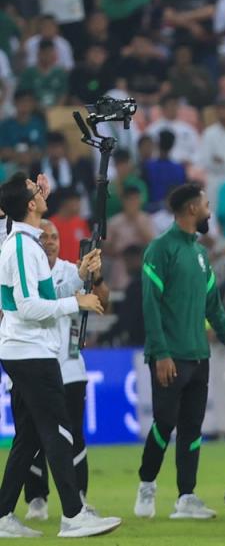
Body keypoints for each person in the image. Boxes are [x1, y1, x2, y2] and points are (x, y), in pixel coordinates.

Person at [0, 173, 120, 538]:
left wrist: (80, 275)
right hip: (30, 350)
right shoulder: (21, 246)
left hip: (27, 350)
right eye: (36, 191)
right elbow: (27, 306)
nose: (42, 191)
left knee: (29, 438)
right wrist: (77, 301)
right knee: (56, 430)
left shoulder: (25, 244)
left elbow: (41, 296)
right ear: (31, 205)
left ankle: (3, 514)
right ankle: (73, 514)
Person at [134, 183, 225, 521]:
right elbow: (150, 306)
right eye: (207, 205)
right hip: (170, 356)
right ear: (193, 209)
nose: (210, 211)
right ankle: (146, 485)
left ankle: (186, 497)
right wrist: (161, 353)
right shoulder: (160, 249)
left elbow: (213, 306)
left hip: (199, 355)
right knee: (164, 424)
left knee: (192, 428)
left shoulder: (199, 252)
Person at [23, 219, 111, 520]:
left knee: (74, 435)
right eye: (44, 237)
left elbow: (104, 303)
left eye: (55, 237)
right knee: (31, 434)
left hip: (71, 365)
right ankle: (37, 498)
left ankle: (80, 499)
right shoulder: (27, 273)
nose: (49, 241)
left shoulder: (72, 270)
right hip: (34, 364)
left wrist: (96, 279)